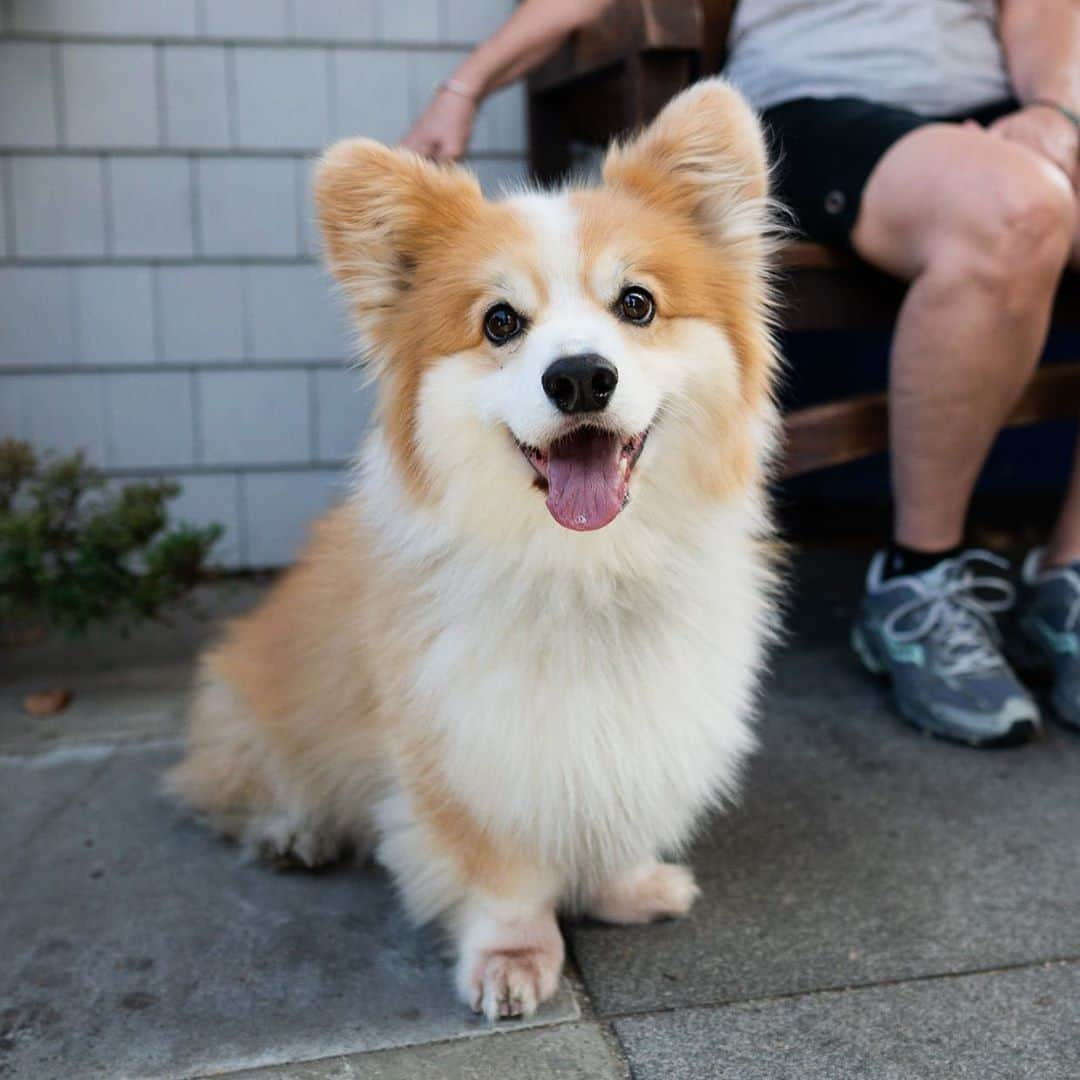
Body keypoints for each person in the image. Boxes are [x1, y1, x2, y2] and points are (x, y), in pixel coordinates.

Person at [403, 0, 1080, 749]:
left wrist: (1055, 109)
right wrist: (465, 86)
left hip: (998, 120)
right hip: (824, 108)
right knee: (1016, 209)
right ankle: (918, 581)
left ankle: (1070, 577)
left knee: (1024, 186)